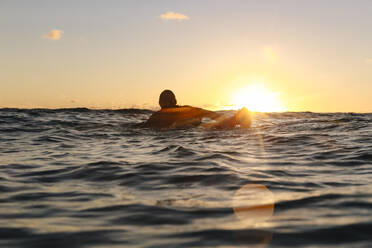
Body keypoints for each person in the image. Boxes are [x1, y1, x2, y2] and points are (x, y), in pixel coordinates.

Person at [141, 89, 251, 129]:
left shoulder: (156, 117)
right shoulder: (157, 117)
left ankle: (236, 119)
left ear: (159, 103)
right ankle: (237, 119)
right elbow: (208, 114)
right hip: (192, 129)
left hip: (191, 128)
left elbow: (143, 128)